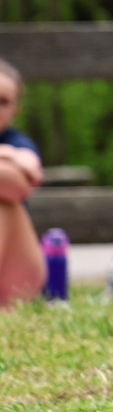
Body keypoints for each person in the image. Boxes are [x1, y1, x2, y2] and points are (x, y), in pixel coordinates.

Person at [0, 59, 47, 308]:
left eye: (3, 101)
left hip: (15, 272)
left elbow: (22, 181)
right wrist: (9, 156)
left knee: (4, 203)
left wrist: (8, 152)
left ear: (16, 108)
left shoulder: (17, 141)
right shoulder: (12, 150)